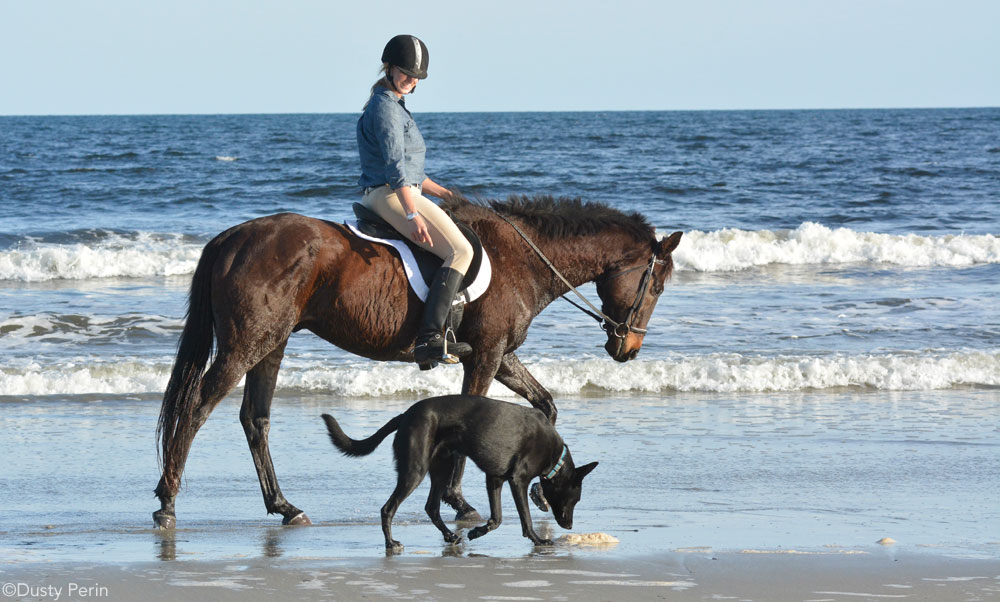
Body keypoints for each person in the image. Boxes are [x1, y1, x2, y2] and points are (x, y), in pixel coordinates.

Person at [357, 34, 474, 369]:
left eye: (416, 76)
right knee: (461, 251)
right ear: (390, 68)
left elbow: (413, 173)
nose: (411, 80)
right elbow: (396, 169)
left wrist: (448, 195)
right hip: (392, 194)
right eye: (406, 73)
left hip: (399, 189)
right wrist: (412, 212)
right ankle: (430, 336)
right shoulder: (385, 109)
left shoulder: (393, 105)